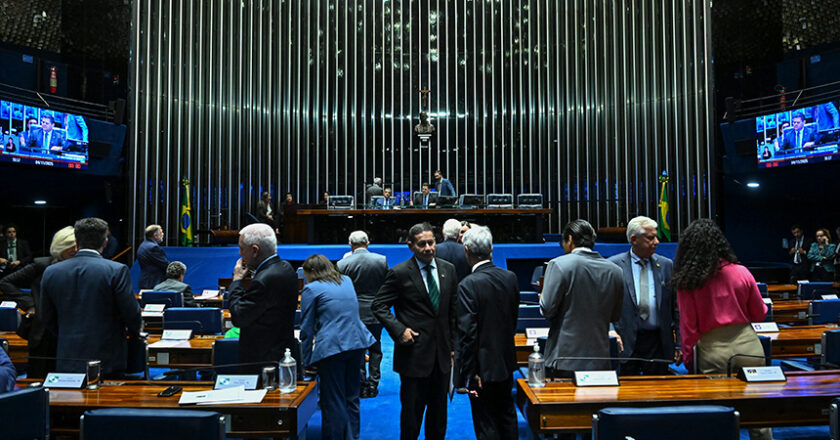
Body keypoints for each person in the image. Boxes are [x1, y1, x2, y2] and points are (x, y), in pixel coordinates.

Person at [672, 219, 771, 440]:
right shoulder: (742, 272)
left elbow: (688, 327)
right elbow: (760, 313)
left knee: (717, 415)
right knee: (759, 414)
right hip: (748, 346)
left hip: (711, 350)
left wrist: (689, 359)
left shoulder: (688, 280)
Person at [371, 222, 458, 440]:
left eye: (431, 242)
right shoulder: (399, 273)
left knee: (438, 419)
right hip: (413, 357)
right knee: (411, 419)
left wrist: (454, 346)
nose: (428, 248)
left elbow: (453, 313)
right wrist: (399, 330)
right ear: (411, 246)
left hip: (441, 358)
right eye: (422, 244)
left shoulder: (448, 269)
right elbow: (378, 305)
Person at [40, 218, 142, 377]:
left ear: (76, 240)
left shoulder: (51, 272)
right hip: (108, 357)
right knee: (107, 400)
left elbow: (46, 317)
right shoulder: (116, 270)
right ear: (105, 241)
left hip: (67, 354)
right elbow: (131, 313)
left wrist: (67, 334)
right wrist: (135, 333)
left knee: (70, 401)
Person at [300, 254, 375, 440]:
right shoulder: (346, 280)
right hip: (357, 342)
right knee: (352, 397)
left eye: (305, 274)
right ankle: (352, 437)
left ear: (313, 272)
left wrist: (306, 359)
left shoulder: (311, 289)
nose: (305, 278)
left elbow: (306, 329)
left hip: (332, 347)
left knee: (332, 400)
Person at [454, 226, 519, 440]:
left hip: (482, 368)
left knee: (486, 423)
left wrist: (470, 372)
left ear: (466, 251)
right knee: (507, 417)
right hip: (506, 362)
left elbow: (468, 333)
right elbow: (512, 320)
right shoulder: (510, 277)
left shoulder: (468, 285)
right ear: (491, 248)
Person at [539, 219, 623, 375]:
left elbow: (547, 310)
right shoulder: (616, 270)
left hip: (564, 360)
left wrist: (542, 297)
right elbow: (615, 316)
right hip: (600, 359)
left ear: (570, 239)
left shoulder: (558, 265)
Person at [0, 226, 76, 378]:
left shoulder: (81, 266)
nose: (76, 250)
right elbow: (5, 282)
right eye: (72, 247)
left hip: (71, 333)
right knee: (39, 377)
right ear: (61, 248)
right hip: (43, 333)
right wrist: (31, 304)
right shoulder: (42, 265)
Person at [608, 216, 679, 375]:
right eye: (650, 237)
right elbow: (604, 306)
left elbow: (676, 308)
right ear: (634, 239)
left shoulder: (666, 265)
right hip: (626, 342)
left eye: (656, 236)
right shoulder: (614, 266)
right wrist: (611, 331)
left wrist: (679, 344)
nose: (657, 242)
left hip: (658, 344)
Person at [228, 223, 298, 373]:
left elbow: (239, 317)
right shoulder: (285, 267)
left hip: (262, 361)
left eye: (241, 248)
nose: (240, 254)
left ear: (255, 250)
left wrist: (237, 280)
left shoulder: (264, 280)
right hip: (281, 350)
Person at [337, 231, 389, 398]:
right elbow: (387, 285)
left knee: (357, 349)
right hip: (376, 311)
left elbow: (341, 292)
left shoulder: (342, 264)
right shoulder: (381, 260)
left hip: (353, 312)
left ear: (350, 245)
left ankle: (360, 384)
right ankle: (373, 385)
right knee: (375, 348)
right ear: (368, 243)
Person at [137, 224, 169, 289]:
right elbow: (165, 264)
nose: (163, 234)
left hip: (146, 281)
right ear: (155, 235)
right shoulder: (154, 248)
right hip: (154, 282)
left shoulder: (143, 245)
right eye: (161, 232)